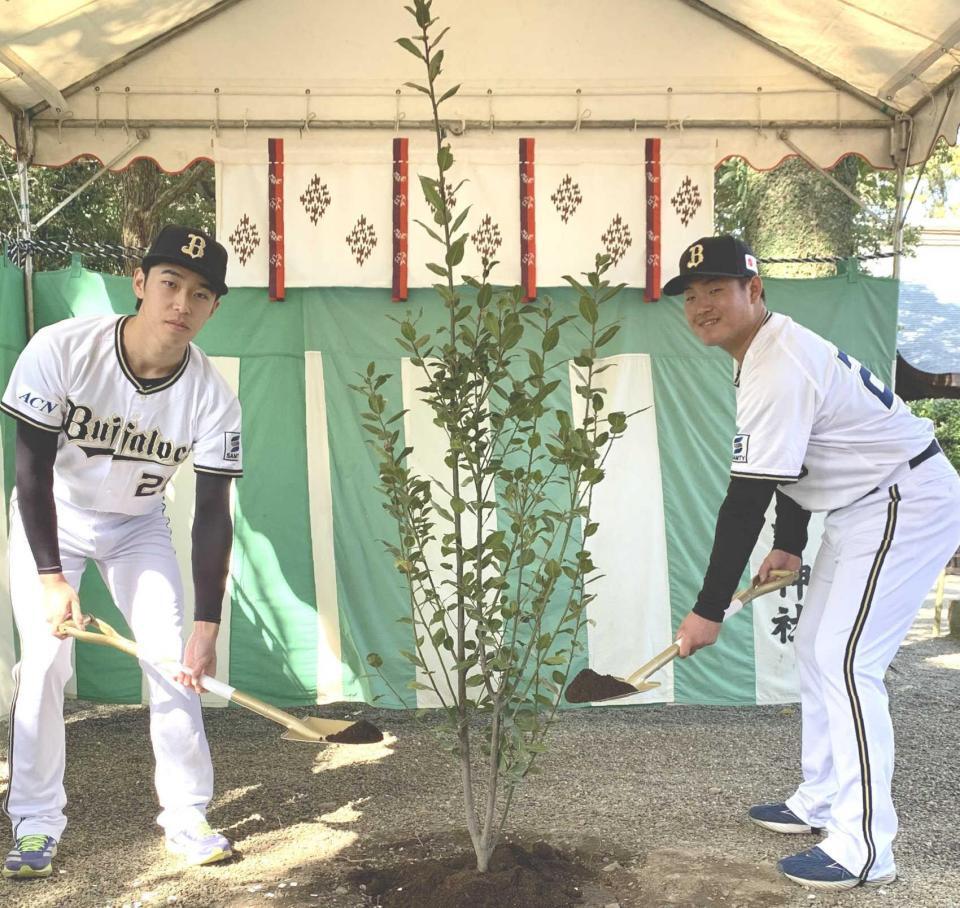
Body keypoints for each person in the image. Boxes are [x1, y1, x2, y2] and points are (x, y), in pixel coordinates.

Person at [664, 235, 960, 891]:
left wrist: (708, 610)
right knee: (814, 647)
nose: (702, 305)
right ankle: (821, 799)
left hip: (903, 499)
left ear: (754, 290)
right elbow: (794, 461)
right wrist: (791, 543)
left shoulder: (778, 363)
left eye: (716, 289)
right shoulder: (768, 351)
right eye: (691, 295)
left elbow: (745, 501)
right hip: (865, 504)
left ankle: (864, 847)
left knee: (848, 661)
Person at [2, 225, 242, 879]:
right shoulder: (62, 347)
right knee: (44, 661)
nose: (181, 303)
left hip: (138, 526)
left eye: (200, 294)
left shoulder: (213, 396)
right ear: (139, 282)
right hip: (55, 517)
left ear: (214, 308)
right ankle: (35, 821)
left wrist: (207, 626)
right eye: (169, 283)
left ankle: (187, 816)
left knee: (175, 663)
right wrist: (50, 577)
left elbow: (213, 515)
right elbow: (29, 470)